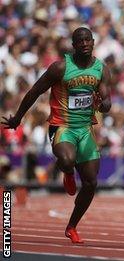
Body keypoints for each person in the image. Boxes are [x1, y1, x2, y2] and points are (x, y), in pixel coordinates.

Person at [1, 27, 112, 242]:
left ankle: (71, 226)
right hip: (62, 127)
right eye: (79, 41)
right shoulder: (60, 68)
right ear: (73, 45)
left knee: (91, 184)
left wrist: (103, 104)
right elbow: (34, 91)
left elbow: (107, 102)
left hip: (85, 130)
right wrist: (18, 118)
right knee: (67, 159)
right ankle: (68, 172)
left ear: (94, 42)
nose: (84, 44)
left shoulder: (102, 69)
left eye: (88, 40)